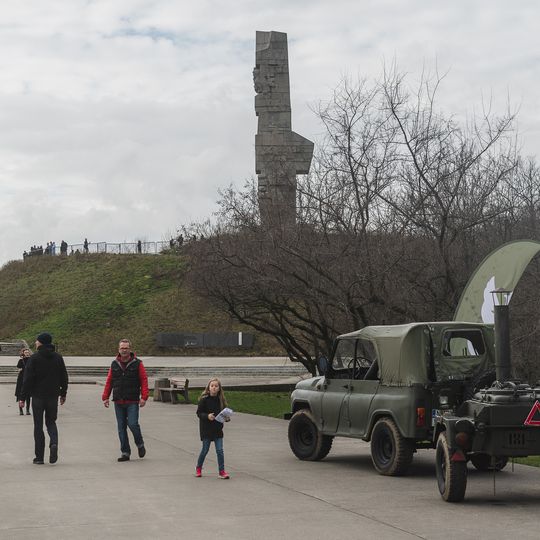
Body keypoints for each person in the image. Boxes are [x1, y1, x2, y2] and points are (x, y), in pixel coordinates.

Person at [19, 333, 69, 465]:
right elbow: (64, 376)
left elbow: (27, 379)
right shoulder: (58, 357)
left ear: (41, 342)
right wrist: (63, 393)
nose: (35, 343)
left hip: (37, 397)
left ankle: (39, 457)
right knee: (51, 422)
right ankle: (53, 442)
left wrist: (22, 397)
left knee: (38, 426)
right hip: (53, 396)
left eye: (37, 341)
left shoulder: (34, 358)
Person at [102, 339, 148, 462]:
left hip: (132, 400)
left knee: (133, 424)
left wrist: (144, 397)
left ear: (130, 349)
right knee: (121, 428)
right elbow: (109, 381)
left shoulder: (137, 363)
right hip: (118, 400)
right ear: (118, 349)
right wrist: (105, 396)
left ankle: (140, 444)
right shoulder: (114, 364)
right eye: (122, 348)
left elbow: (143, 380)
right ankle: (125, 452)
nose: (124, 350)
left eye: (126, 348)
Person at [195, 377, 230, 479]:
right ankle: (198, 468)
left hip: (218, 429)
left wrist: (226, 418)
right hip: (206, 429)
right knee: (205, 450)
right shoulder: (204, 400)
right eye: (212, 386)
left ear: (219, 388)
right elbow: (199, 413)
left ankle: (222, 471)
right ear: (208, 388)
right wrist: (207, 416)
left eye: (216, 386)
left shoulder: (221, 400)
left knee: (220, 451)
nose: (214, 388)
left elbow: (223, 414)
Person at [15, 348, 32, 415]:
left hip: (28, 379)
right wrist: (19, 369)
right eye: (25, 352)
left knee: (28, 395)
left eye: (28, 352)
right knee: (20, 394)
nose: (27, 353)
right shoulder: (21, 360)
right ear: (23, 353)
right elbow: (18, 367)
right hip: (21, 379)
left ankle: (27, 410)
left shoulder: (31, 360)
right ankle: (21, 410)